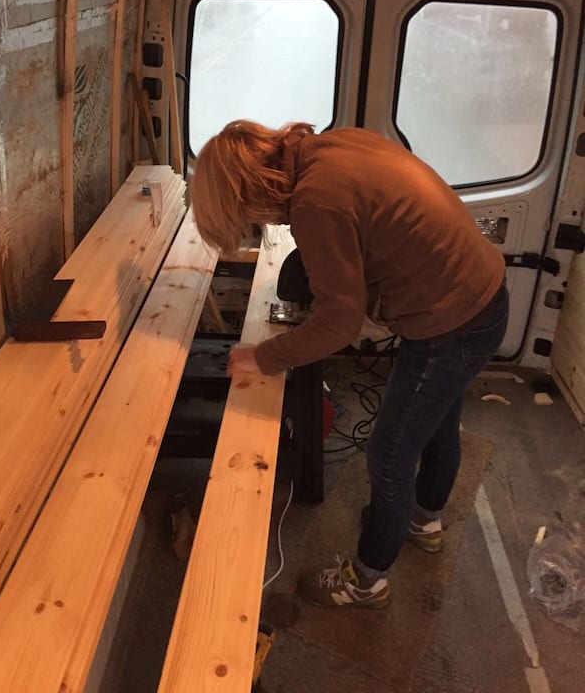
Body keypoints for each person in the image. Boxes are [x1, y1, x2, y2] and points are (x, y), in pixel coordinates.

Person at [190, 119, 508, 609]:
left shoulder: (315, 201)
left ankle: (367, 579)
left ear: (250, 190)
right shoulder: (328, 148)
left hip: (449, 323)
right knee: (439, 422)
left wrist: (262, 357)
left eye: (246, 213)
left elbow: (339, 323)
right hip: (482, 297)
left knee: (389, 454)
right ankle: (423, 520)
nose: (260, 222)